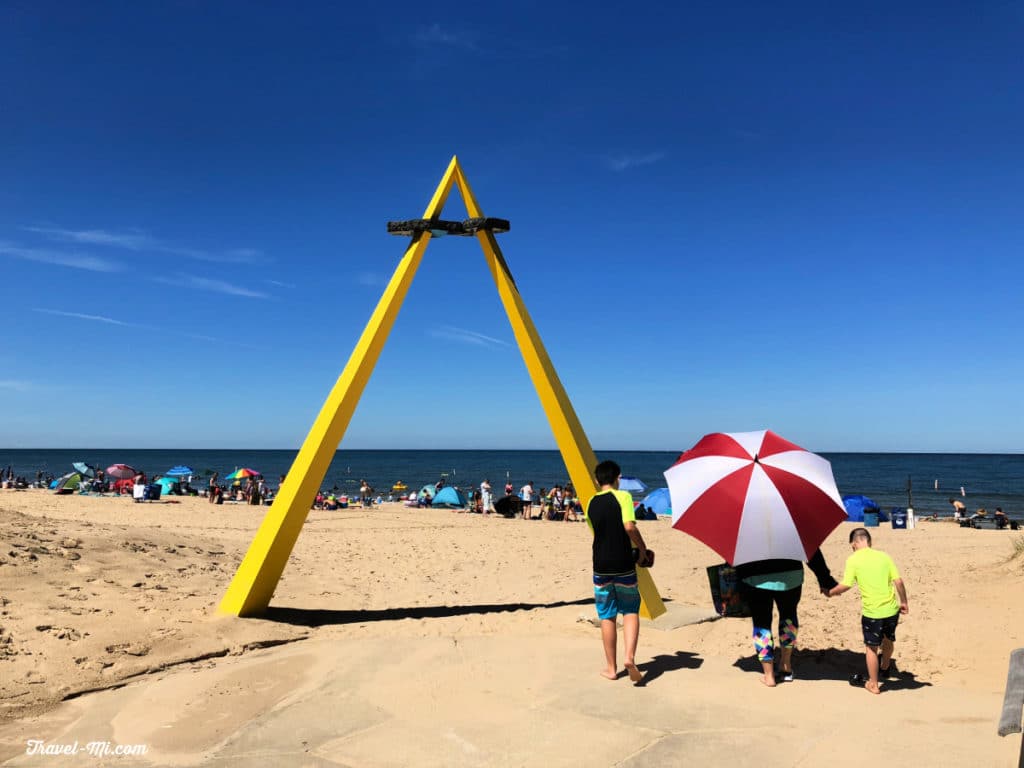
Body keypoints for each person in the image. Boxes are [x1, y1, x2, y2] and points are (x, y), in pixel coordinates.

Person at [735, 548, 837, 687]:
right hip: (790, 576)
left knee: (761, 623)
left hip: (755, 577)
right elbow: (810, 550)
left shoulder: (747, 529)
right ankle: (786, 665)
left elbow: (735, 553)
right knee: (788, 618)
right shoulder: (790, 526)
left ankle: (769, 675)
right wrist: (825, 579)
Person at [586, 460, 648, 684]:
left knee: (606, 615)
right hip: (623, 563)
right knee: (630, 609)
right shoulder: (623, 497)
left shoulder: (591, 502)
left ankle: (611, 669)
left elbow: (597, 534)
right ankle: (629, 657)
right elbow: (629, 526)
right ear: (617, 478)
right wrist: (642, 548)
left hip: (600, 565)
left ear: (597, 480)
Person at [828, 527, 909, 695]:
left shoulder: (853, 559)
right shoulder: (884, 556)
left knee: (871, 648)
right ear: (869, 541)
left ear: (853, 543)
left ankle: (874, 684)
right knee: (888, 639)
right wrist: (904, 602)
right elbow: (899, 582)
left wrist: (832, 592)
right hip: (891, 610)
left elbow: (847, 584)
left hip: (872, 612)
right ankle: (885, 665)